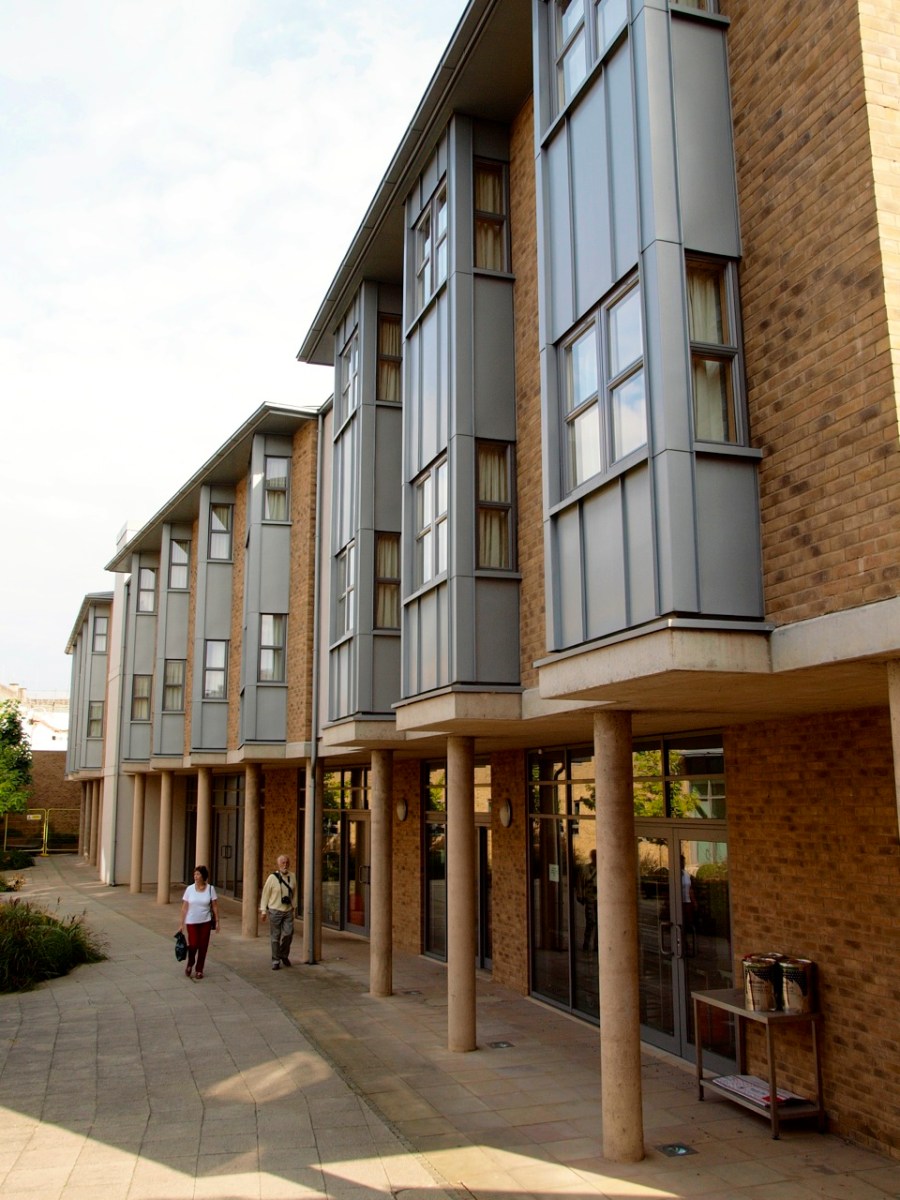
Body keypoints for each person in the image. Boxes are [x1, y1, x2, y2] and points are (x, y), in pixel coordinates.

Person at [180, 864, 219, 980]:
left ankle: (199, 969)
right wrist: (181, 924)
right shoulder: (189, 889)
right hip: (191, 921)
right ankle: (190, 963)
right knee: (193, 944)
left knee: (203, 946)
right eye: (194, 874)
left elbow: (215, 906)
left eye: (198, 874)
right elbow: (184, 907)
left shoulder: (210, 889)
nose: (195, 877)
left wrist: (217, 921)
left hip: (205, 921)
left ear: (203, 876)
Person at [259, 854, 296, 970]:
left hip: (288, 910)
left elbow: (295, 892)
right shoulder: (272, 878)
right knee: (275, 936)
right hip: (275, 910)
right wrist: (263, 911)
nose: (285, 865)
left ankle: (283, 954)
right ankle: (276, 960)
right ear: (278, 864)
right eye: (283, 863)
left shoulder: (292, 876)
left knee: (288, 934)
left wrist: (294, 905)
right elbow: (265, 895)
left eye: (287, 862)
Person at [576, 848, 598, 952]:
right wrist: (580, 895)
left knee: (598, 923)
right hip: (590, 897)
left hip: (599, 898)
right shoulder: (585, 869)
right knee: (591, 921)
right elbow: (580, 883)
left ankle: (596, 944)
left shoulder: (602, 868)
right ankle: (587, 943)